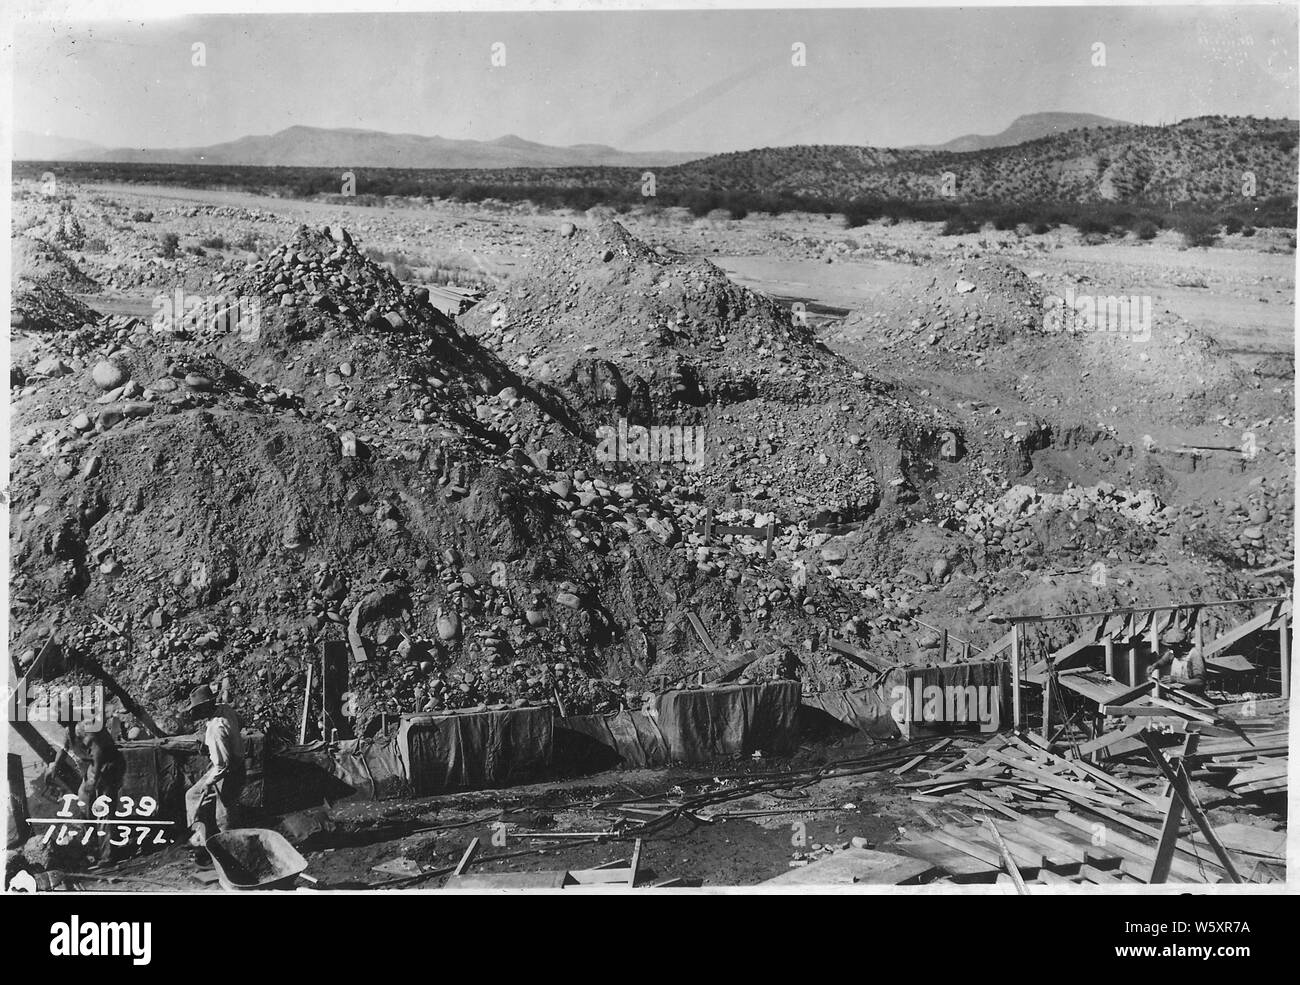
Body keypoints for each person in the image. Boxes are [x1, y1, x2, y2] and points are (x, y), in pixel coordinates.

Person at [183, 685, 245, 861]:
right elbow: (240, 722)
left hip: (229, 772)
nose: (197, 713)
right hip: (227, 765)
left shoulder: (216, 729)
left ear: (207, 706)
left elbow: (222, 765)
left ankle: (233, 855)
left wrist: (209, 783)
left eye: (198, 709)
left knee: (224, 817)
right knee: (192, 795)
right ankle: (200, 837)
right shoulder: (225, 709)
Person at [63, 711, 125, 865]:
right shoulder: (69, 729)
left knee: (102, 807)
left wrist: (93, 779)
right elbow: (64, 749)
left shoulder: (86, 725)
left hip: (109, 764)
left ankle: (107, 856)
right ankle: (92, 849)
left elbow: (97, 752)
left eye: (59, 713)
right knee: (83, 801)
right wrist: (54, 767)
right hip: (94, 766)